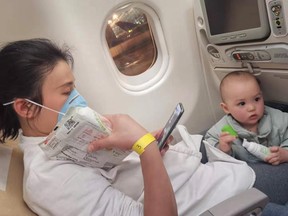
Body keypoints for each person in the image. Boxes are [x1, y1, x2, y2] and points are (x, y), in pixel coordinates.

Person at [0, 38, 277, 216]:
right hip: (223, 197)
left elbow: (125, 173)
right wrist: (145, 147)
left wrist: (150, 147)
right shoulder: (51, 181)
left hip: (203, 177)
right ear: (25, 107)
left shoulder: (62, 133)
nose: (78, 99)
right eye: (66, 91)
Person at [204, 71, 288, 165]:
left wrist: (285, 154)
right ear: (226, 108)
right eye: (242, 103)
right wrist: (222, 149)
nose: (252, 108)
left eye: (257, 99)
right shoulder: (223, 130)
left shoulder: (278, 119)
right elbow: (210, 148)